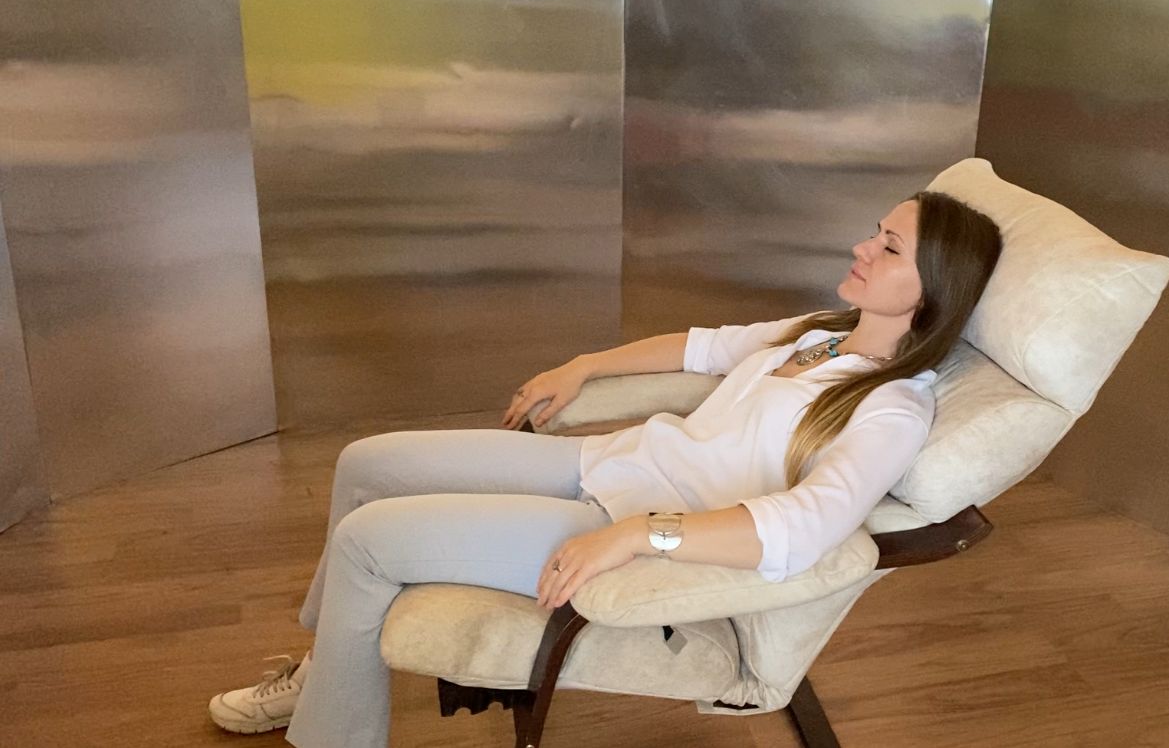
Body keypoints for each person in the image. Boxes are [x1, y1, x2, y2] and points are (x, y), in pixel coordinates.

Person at [207, 190, 1002, 746]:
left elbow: (805, 528)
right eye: (874, 232)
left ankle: (332, 731)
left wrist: (638, 535)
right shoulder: (820, 332)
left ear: (932, 287)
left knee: (367, 541)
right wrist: (582, 365)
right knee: (365, 464)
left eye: (888, 248)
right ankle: (325, 669)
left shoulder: (892, 406)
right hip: (605, 463)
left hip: (617, 521)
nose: (862, 248)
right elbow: (699, 346)